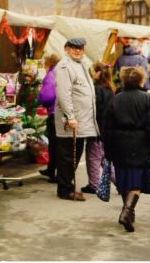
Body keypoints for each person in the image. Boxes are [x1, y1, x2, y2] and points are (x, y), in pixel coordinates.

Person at [104, 66, 150, 232]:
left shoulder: (115, 99)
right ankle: (127, 212)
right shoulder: (148, 100)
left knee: (123, 180)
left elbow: (107, 127)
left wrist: (108, 149)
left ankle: (128, 211)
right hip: (140, 143)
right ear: (141, 80)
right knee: (136, 182)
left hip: (119, 144)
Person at [54, 37, 99, 201]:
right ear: (67, 49)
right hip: (71, 122)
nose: (78, 50)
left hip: (82, 122)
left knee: (73, 157)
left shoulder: (80, 65)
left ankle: (67, 186)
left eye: (80, 48)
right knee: (68, 158)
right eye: (74, 47)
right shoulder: (65, 66)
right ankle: (65, 190)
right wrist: (70, 117)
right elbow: (63, 95)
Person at [80, 62, 115, 194]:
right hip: (106, 129)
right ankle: (121, 182)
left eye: (93, 71)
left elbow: (93, 110)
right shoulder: (110, 89)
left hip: (97, 129)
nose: (91, 74)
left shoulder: (96, 90)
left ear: (99, 73)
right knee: (104, 159)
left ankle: (93, 184)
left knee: (93, 157)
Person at [37, 53, 61, 183]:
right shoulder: (60, 73)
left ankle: (53, 172)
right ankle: (51, 169)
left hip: (54, 112)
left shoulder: (50, 75)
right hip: (60, 112)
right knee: (56, 144)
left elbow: (47, 96)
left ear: (48, 64)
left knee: (54, 144)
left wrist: (39, 98)